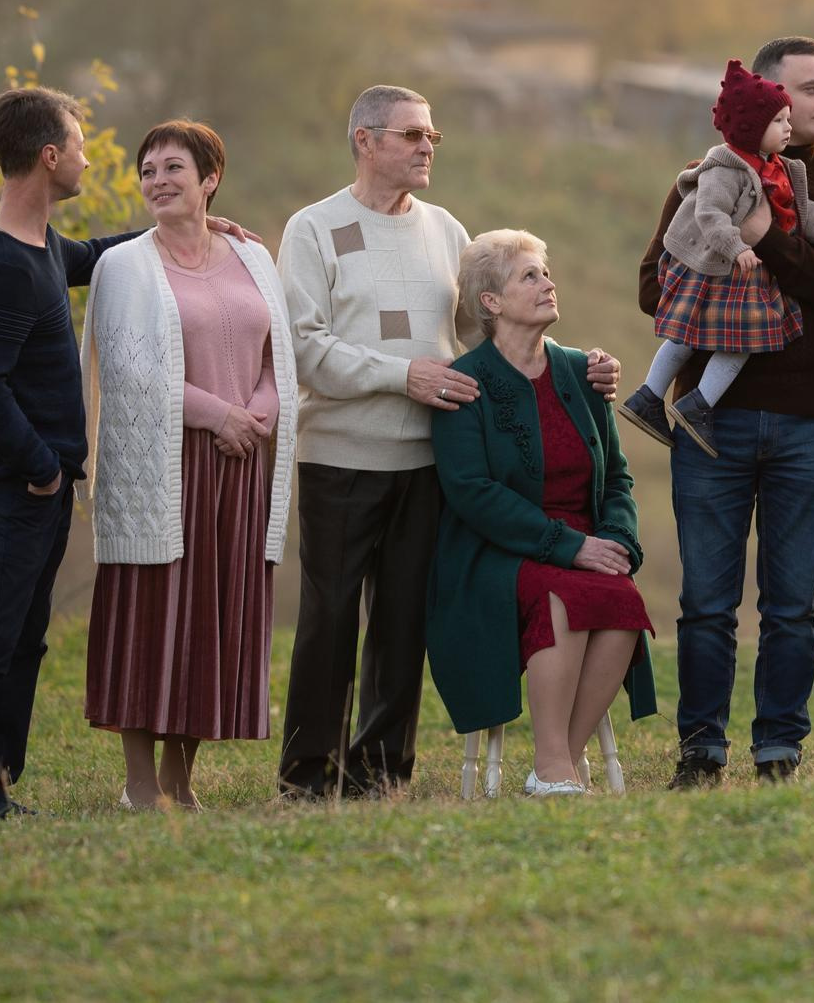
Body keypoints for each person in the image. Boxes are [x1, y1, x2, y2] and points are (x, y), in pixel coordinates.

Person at [0, 86, 251, 826]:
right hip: (9, 487)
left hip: (40, 488)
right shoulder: (0, 263)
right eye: (82, 145)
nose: (92, 158)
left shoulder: (43, 247)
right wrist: (42, 464)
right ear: (49, 156)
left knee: (21, 641)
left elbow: (92, 254)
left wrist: (184, 222)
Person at [274, 84, 619, 798]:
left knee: (402, 620)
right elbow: (304, 349)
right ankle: (309, 775)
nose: (428, 146)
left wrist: (581, 365)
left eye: (432, 135)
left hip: (430, 461)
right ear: (365, 141)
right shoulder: (312, 229)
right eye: (411, 135)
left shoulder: (446, 230)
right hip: (339, 456)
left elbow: (491, 338)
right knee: (331, 618)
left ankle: (381, 771)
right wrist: (404, 375)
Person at [636, 36, 814, 788]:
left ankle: (779, 749)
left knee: (791, 605)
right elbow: (655, 286)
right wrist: (736, 264)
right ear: (770, 99)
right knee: (706, 601)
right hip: (713, 423)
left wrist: (767, 242)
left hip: (813, 424)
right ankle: (700, 751)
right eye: (809, 88)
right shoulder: (710, 174)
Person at [83, 120, 299, 809]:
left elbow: (278, 354)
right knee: (155, 613)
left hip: (240, 467)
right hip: (167, 464)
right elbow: (129, 374)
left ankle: (183, 776)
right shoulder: (125, 267)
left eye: (173, 166)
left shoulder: (251, 256)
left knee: (212, 615)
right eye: (147, 170)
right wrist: (222, 415)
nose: (158, 180)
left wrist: (260, 410)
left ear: (210, 178)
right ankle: (140, 782)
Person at [429, 231, 656, 797]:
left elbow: (618, 478)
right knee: (561, 593)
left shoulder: (583, 371)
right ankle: (555, 763)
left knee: (623, 600)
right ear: (491, 302)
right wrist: (569, 546)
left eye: (545, 273)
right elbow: (472, 491)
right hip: (496, 553)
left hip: (585, 543)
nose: (547, 283)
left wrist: (618, 540)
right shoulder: (466, 380)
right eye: (529, 276)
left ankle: (557, 762)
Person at [621, 59, 814, 457]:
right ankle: (674, 400)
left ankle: (660, 398)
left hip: (738, 274)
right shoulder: (725, 168)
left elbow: (805, 213)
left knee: (708, 338)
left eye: (788, 119)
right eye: (779, 121)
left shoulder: (778, 169)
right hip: (715, 269)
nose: (788, 128)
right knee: (712, 338)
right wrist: (737, 247)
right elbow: (709, 214)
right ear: (752, 129)